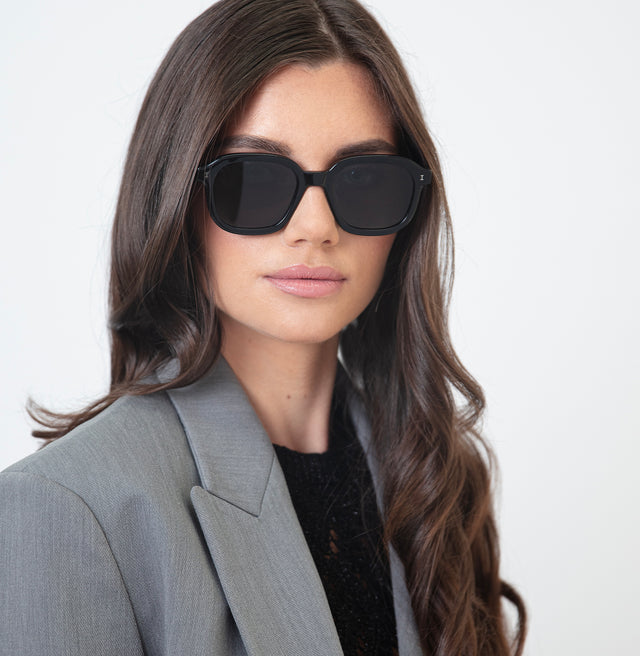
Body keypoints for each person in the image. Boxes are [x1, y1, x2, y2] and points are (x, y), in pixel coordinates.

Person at [0, 0, 526, 654]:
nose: (316, 226)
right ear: (178, 202)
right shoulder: (66, 510)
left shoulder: (438, 478)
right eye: (253, 177)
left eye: (363, 180)